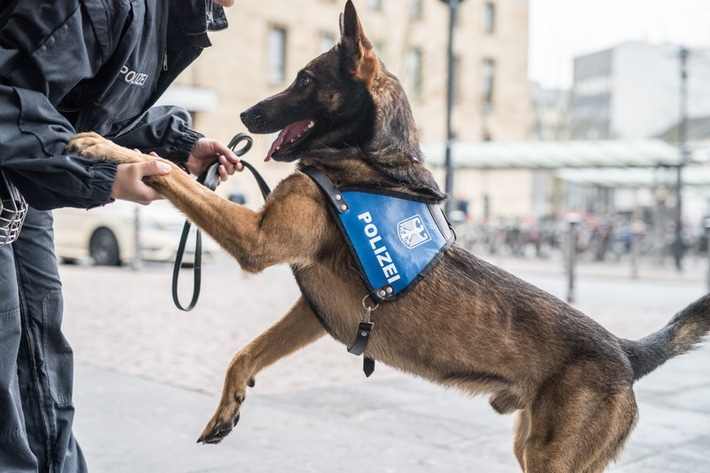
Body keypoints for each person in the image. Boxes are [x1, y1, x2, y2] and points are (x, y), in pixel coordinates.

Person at [0, 1, 239, 471]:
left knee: (43, 350)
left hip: (24, 179)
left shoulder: (175, 15)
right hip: (19, 170)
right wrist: (101, 175)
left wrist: (180, 146)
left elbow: (82, 106)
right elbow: (9, 96)